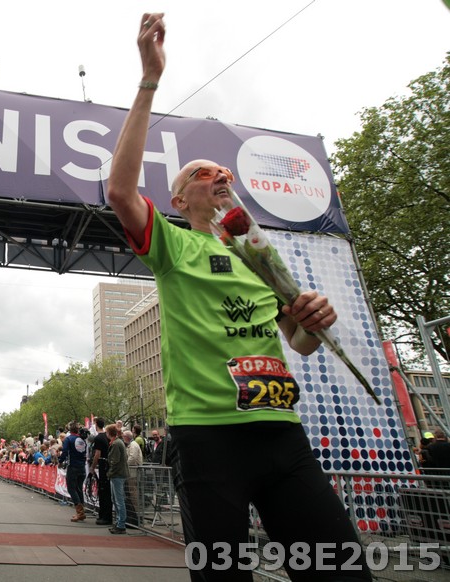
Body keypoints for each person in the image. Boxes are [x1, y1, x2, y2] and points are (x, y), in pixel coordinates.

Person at [105, 13, 370, 580]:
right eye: (203, 172)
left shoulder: (258, 254)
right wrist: (150, 79)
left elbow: (299, 343)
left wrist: (313, 319)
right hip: (208, 438)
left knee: (342, 570)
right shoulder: (173, 244)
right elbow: (120, 191)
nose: (219, 173)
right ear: (180, 200)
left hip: (281, 432)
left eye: (223, 169)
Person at [59, 421, 88, 522]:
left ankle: (80, 512)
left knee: (71, 489)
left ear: (69, 429)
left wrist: (60, 461)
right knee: (79, 489)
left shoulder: (69, 439)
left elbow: (65, 452)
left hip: (73, 466)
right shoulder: (82, 439)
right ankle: (81, 511)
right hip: (82, 467)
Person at [89, 417, 113, 526]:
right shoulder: (107, 437)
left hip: (103, 465)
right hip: (107, 465)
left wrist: (92, 467)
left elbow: (97, 454)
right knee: (105, 491)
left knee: (103, 491)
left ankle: (105, 516)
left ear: (96, 425)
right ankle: (104, 515)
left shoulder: (98, 438)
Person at [106, 424, 128, 534]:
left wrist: (109, 472)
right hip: (118, 474)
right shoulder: (118, 442)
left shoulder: (116, 444)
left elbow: (114, 461)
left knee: (119, 500)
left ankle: (121, 524)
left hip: (117, 474)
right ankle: (119, 522)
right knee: (116, 499)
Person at [123, 429, 142, 526]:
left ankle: (136, 513)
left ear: (126, 437)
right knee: (131, 492)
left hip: (133, 472)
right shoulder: (131, 445)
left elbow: (132, 458)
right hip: (130, 472)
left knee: (133, 492)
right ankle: (134, 512)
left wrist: (124, 465)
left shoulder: (133, 445)